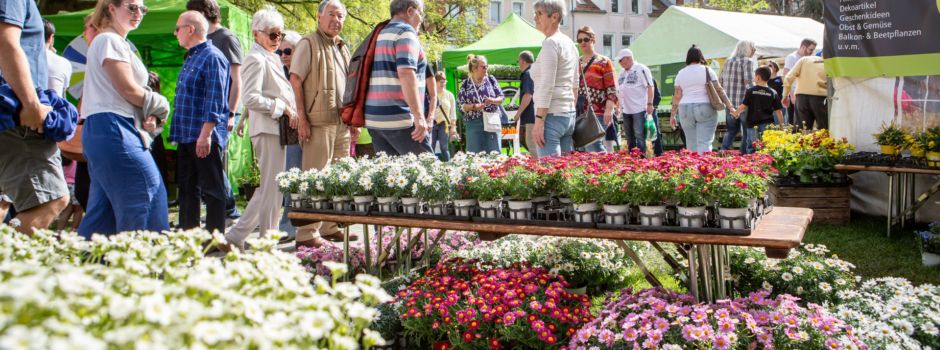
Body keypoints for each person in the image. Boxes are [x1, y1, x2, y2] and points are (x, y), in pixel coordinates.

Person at [78, 0, 170, 237]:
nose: (138, 13)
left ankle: (87, 270)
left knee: (103, 216)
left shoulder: (114, 42)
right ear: (111, 8)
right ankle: (146, 268)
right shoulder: (110, 40)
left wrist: (147, 116)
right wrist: (161, 104)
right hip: (114, 129)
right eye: (131, 7)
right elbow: (128, 90)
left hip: (110, 130)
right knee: (149, 198)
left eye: (142, 9)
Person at [224, 6, 295, 250]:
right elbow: (251, 97)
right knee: (273, 189)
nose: (277, 40)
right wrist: (282, 108)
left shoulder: (269, 57)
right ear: (257, 34)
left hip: (273, 129)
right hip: (268, 129)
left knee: (268, 187)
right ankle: (266, 242)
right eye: (272, 35)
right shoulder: (255, 58)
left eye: (280, 35)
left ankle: (236, 236)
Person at [290, 0, 356, 247]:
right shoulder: (308, 43)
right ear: (319, 16)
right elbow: (295, 80)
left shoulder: (342, 46)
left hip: (341, 122)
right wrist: (302, 118)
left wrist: (354, 121)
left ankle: (330, 226)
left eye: (340, 16)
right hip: (317, 121)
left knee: (339, 176)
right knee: (315, 176)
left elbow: (350, 86)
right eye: (331, 14)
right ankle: (306, 234)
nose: (336, 20)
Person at [0, 0, 69, 234]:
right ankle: (11, 267)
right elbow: (5, 42)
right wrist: (31, 104)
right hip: (16, 113)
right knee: (50, 199)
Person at [170, 11, 230, 234]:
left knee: (212, 189)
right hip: (186, 135)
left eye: (177, 28)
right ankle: (190, 235)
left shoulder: (212, 56)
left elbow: (215, 99)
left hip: (203, 135)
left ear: (190, 29)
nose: (175, 33)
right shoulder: (191, 56)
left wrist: (205, 135)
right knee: (186, 189)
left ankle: (215, 239)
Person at [186, 0, 243, 221]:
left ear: (202, 13)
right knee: (205, 163)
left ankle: (227, 210)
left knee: (213, 162)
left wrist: (231, 112)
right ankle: (218, 208)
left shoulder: (225, 38)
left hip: (221, 112)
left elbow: (236, 79)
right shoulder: (201, 40)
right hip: (202, 113)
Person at [363, 0, 432, 156]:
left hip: (375, 118)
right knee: (428, 172)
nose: (421, 19)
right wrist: (419, 116)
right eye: (420, 13)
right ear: (410, 11)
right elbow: (406, 73)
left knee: (393, 176)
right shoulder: (406, 33)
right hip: (400, 117)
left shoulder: (379, 34)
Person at [530, 0, 579, 158]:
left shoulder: (551, 43)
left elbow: (547, 84)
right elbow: (575, 83)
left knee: (550, 174)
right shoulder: (570, 43)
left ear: (554, 17)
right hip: (567, 114)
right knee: (565, 172)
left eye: (539, 14)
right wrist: (571, 106)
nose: (535, 17)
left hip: (551, 115)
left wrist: (539, 120)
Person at [670, 46, 733, 153]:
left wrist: (672, 115)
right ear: (701, 57)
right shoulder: (708, 71)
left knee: (691, 144)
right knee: (704, 142)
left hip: (685, 108)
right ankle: (704, 168)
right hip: (705, 106)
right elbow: (719, 90)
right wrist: (730, 107)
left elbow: (677, 96)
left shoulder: (681, 73)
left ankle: (693, 168)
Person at [575, 26, 618, 153]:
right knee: (582, 147)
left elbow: (612, 89)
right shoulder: (575, 62)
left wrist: (609, 110)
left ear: (593, 40)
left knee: (592, 144)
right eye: (580, 40)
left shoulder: (604, 61)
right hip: (579, 111)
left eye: (586, 39)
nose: (583, 43)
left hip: (598, 112)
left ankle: (606, 169)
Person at [732, 66, 783, 154]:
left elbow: (744, 106)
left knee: (752, 146)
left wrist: (735, 113)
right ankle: (766, 164)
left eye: (754, 76)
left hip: (752, 124)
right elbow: (778, 111)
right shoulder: (773, 92)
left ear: (758, 77)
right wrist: (782, 125)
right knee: (766, 146)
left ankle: (754, 165)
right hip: (767, 124)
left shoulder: (751, 91)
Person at [457, 54, 503, 153]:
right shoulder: (465, 84)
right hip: (473, 123)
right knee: (474, 155)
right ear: (474, 68)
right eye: (483, 67)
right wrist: (474, 106)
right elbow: (461, 106)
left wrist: (493, 100)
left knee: (494, 153)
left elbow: (501, 98)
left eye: (487, 66)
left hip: (491, 121)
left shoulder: (491, 80)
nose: (486, 69)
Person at [614, 48, 654, 155]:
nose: (620, 63)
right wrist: (618, 106)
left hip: (639, 109)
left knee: (639, 135)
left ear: (628, 58)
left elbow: (650, 86)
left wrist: (650, 104)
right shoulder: (622, 73)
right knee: (629, 137)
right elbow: (619, 91)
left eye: (620, 60)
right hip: (626, 110)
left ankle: (642, 160)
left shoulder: (641, 68)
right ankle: (632, 160)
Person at [719, 40, 756, 153]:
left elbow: (721, 80)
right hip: (744, 103)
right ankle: (744, 157)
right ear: (748, 49)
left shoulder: (728, 61)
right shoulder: (748, 62)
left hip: (730, 103)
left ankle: (723, 151)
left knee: (731, 131)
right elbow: (749, 84)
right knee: (746, 132)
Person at [783, 53, 827, 130]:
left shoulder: (804, 59)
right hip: (821, 98)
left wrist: (785, 95)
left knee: (801, 130)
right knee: (823, 131)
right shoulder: (829, 62)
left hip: (802, 98)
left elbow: (788, 77)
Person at [782, 38, 817, 125]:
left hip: (806, 94)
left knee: (805, 123)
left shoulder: (808, 59)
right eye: (810, 49)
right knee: (796, 124)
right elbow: (786, 76)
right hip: (795, 94)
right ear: (803, 47)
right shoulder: (792, 57)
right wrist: (791, 95)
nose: (812, 52)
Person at [43, 19, 72, 98]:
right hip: (53, 108)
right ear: (51, 37)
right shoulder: (64, 63)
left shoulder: (20, 58)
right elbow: (63, 92)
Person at [432, 70, 457, 161]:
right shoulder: (431, 94)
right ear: (435, 82)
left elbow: (453, 113)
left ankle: (448, 166)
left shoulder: (450, 95)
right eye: (440, 82)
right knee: (431, 147)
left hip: (444, 124)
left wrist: (453, 127)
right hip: (432, 123)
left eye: (444, 81)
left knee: (444, 147)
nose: (442, 84)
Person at [516, 50, 537, 155]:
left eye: (518, 61)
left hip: (531, 116)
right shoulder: (535, 71)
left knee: (532, 143)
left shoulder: (527, 74)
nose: (518, 63)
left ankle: (538, 169)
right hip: (538, 114)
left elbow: (528, 95)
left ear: (523, 61)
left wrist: (518, 114)